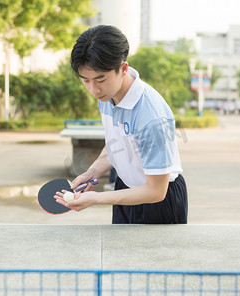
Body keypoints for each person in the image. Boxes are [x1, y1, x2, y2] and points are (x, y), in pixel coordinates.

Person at [54, 25, 188, 224]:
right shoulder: (106, 96)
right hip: (125, 190)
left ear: (123, 68)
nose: (93, 89)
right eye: (85, 80)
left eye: (100, 79)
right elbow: (117, 144)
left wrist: (97, 198)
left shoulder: (151, 116)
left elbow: (156, 191)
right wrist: (92, 172)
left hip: (158, 201)